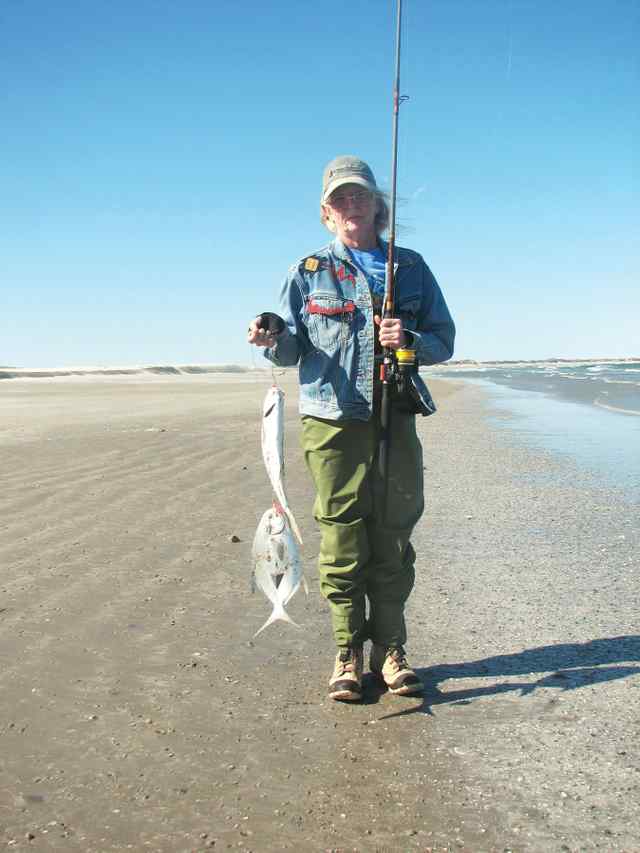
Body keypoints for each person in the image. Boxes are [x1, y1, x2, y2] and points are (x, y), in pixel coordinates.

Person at [248, 155, 455, 702]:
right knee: (341, 537)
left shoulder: (409, 267)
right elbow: (292, 346)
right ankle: (347, 652)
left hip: (395, 416)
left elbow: (443, 340)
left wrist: (406, 337)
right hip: (331, 421)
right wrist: (270, 334)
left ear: (377, 206)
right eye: (340, 198)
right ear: (326, 213)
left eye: (359, 195)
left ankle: (391, 649)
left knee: (392, 533)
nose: (351, 205)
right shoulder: (308, 271)